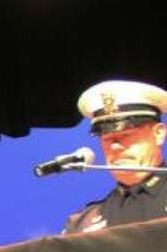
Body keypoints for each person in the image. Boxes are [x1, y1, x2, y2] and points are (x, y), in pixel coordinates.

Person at [64, 80, 167, 233]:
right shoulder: (84, 222)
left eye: (126, 135)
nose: (115, 146)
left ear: (158, 134)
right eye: (107, 139)